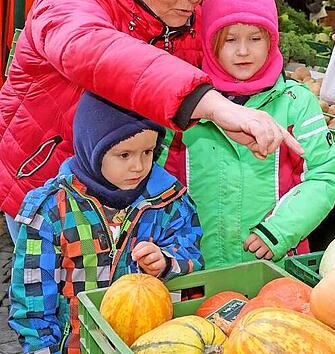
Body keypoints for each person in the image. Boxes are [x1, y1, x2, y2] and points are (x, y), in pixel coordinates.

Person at [0, 0, 299, 245]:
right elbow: (88, 46)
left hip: (131, 190)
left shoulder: (185, 9)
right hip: (48, 187)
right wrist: (210, 104)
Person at [9, 92, 202, 353]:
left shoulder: (169, 201)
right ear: (93, 150)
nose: (138, 166)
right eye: (124, 155)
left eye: (148, 152)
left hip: (152, 343)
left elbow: (192, 256)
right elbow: (32, 302)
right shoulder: (52, 211)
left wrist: (167, 262)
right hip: (78, 346)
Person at [184, 0, 335, 267]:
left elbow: (323, 176)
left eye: (255, 38)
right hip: (197, 269)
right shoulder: (188, 105)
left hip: (275, 265)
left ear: (271, 39)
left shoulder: (297, 103)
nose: (243, 51)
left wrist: (279, 230)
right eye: (229, 40)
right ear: (209, 42)